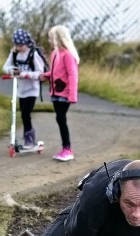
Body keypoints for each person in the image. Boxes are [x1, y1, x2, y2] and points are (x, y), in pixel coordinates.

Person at [40, 25, 79, 162]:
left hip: (65, 94)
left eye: (52, 37)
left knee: (61, 119)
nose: (50, 40)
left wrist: (72, 96)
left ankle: (67, 149)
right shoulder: (55, 54)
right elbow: (55, 72)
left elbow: (72, 75)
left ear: (58, 38)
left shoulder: (68, 55)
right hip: (55, 92)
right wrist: (45, 75)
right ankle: (65, 148)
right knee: (59, 118)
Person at [3, 28, 45, 149]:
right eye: (16, 44)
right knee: (21, 113)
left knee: (26, 113)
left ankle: (29, 139)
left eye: (20, 45)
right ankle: (20, 138)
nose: (18, 47)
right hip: (21, 89)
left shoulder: (33, 54)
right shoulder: (14, 53)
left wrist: (27, 74)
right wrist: (12, 71)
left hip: (32, 89)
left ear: (25, 43)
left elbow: (40, 72)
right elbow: (5, 66)